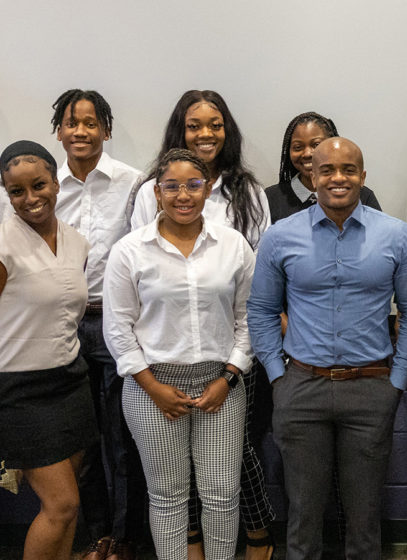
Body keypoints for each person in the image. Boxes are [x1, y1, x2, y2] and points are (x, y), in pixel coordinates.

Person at [248, 138, 407, 560]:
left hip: (371, 389)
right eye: (327, 170)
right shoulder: (280, 236)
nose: (338, 178)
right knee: (302, 518)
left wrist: (397, 380)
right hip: (301, 387)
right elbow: (261, 309)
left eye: (349, 169)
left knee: (364, 520)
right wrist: (278, 375)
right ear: (312, 176)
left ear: (363, 176)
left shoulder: (397, 236)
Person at [128, 90, 274, 560]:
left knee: (222, 482)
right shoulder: (143, 216)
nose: (206, 133)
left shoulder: (245, 196)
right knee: (169, 490)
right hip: (158, 367)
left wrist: (232, 370)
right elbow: (125, 306)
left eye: (215, 124)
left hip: (225, 363)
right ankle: (186, 549)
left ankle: (240, 543)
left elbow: (254, 288)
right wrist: (149, 383)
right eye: (195, 125)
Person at [103, 148, 254, 560]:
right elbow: (118, 329)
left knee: (222, 493)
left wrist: (228, 378)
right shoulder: (130, 251)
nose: (182, 195)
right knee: (168, 496)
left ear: (207, 190)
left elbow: (248, 319)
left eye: (193, 184)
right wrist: (153, 387)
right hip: (152, 385)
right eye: (172, 186)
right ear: (156, 192)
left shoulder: (233, 245)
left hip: (220, 384)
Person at [49, 89, 147, 560]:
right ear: (60, 130)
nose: (81, 132)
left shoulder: (133, 183)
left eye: (91, 123)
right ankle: (96, 535)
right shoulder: (45, 184)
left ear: (106, 129)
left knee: (123, 439)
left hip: (116, 323)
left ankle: (125, 539)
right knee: (79, 442)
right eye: (72, 123)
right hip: (63, 326)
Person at [0, 140, 97, 560]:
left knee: (68, 506)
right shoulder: (2, 244)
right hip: (19, 388)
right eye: (16, 191)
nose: (30, 199)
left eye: (38, 185)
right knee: (61, 505)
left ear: (56, 184)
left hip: (70, 381)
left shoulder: (78, 242)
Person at [266, 111, 381, 224]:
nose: (307, 153)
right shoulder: (271, 198)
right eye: (297, 147)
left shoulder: (362, 195)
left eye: (316, 145)